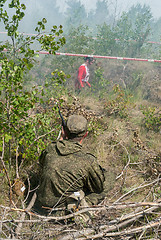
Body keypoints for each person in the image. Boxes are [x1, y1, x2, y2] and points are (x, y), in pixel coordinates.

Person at [35, 114, 113, 217]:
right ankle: (80, 207)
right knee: (109, 177)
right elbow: (98, 188)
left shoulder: (50, 149)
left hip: (41, 207)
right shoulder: (88, 160)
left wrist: (62, 139)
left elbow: (41, 164)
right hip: (62, 212)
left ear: (64, 131)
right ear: (85, 135)